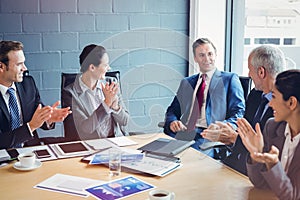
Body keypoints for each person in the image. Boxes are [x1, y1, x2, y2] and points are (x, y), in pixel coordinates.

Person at [201, 45, 286, 174]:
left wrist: (234, 138)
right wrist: (229, 132)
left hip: (257, 171)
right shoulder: (255, 95)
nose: (248, 74)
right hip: (235, 163)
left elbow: (271, 151)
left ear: (261, 72)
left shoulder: (286, 106)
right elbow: (244, 131)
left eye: (250, 70)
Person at [163, 38, 245, 154]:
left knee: (185, 156)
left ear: (215, 55)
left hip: (208, 135)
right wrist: (173, 121)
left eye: (210, 54)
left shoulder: (229, 79)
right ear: (195, 58)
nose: (207, 59)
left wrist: (223, 127)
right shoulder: (187, 82)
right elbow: (172, 110)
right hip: (183, 133)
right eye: (201, 55)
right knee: (156, 153)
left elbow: (238, 112)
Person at [238, 69, 300, 200]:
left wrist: (273, 165)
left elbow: (293, 197)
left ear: (291, 103)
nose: (270, 103)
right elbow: (260, 183)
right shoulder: (272, 127)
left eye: (274, 97)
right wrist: (256, 154)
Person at [0, 40, 71, 149]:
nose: (25, 68)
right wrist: (31, 126)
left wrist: (48, 118)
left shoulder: (28, 84)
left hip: (30, 152)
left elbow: (37, 116)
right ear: (1, 67)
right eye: (19, 64)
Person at [65, 44, 129, 140]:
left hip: (116, 141)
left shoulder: (112, 83)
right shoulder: (71, 93)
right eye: (105, 65)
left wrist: (115, 107)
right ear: (92, 68)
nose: (109, 68)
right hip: (92, 145)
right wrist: (106, 104)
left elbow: (125, 121)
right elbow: (85, 129)